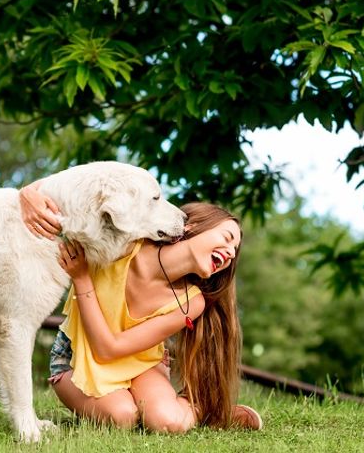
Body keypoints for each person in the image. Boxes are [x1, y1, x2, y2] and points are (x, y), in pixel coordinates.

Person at [19, 182, 263, 432]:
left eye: (235, 250)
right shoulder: (128, 240)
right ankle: (127, 402)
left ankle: (205, 411)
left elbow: (111, 349)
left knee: (168, 422)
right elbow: (82, 184)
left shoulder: (192, 301)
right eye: (227, 238)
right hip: (75, 359)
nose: (231, 253)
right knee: (123, 417)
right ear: (191, 225)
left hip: (142, 364)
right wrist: (29, 193)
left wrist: (82, 279)